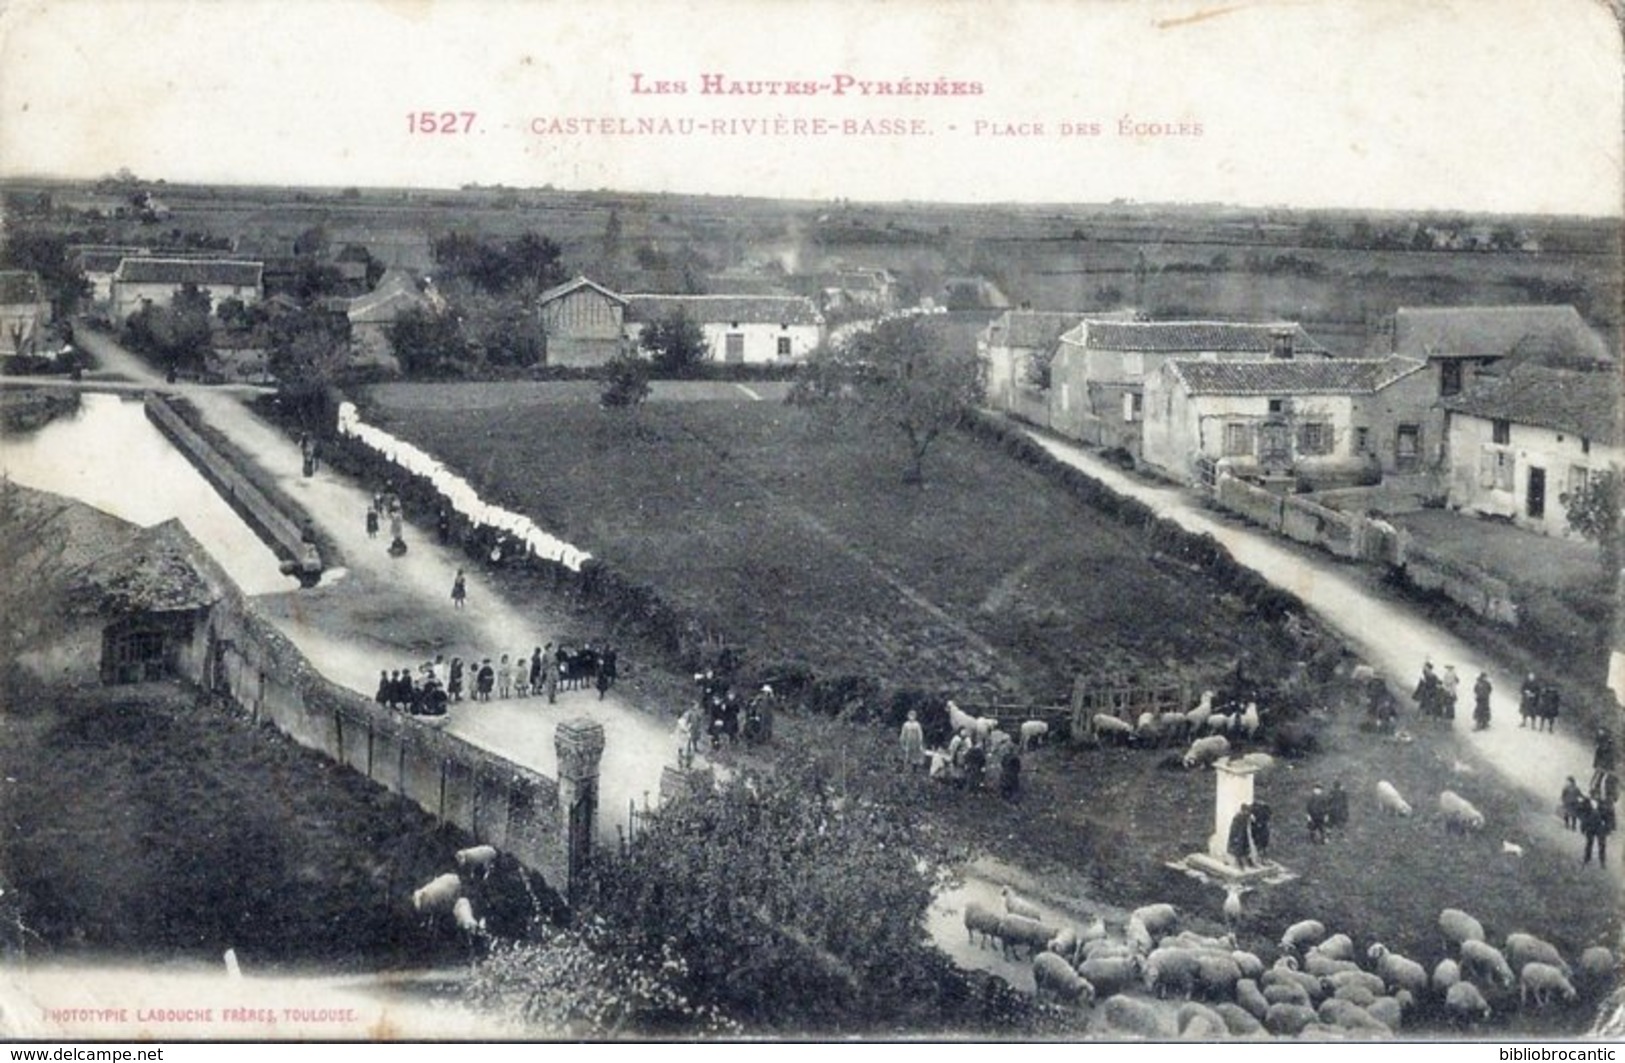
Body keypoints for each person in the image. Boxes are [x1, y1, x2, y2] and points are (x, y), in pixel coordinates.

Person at [1580, 795, 1611, 867]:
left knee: (1601, 844)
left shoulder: (1602, 806)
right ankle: (1587, 859)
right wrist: (1583, 827)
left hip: (1599, 827)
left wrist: (1607, 828)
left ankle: (1602, 861)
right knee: (1590, 844)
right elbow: (1584, 819)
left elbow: (1607, 817)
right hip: (1591, 827)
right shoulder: (1587, 806)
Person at [1228, 803, 1257, 869]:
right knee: (1238, 847)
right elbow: (1234, 828)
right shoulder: (1237, 817)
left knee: (1246, 847)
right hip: (1238, 834)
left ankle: (1247, 860)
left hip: (1244, 833)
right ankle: (1238, 861)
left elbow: (1250, 822)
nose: (1247, 813)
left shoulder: (1246, 816)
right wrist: (1235, 837)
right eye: (1246, 811)